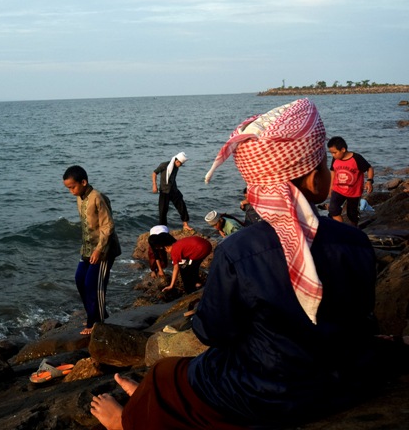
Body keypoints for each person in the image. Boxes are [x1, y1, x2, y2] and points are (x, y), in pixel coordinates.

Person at [91, 99, 387, 429]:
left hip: (272, 393)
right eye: (323, 164)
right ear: (315, 179)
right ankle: (146, 400)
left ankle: (127, 420)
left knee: (166, 375)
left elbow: (213, 331)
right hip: (346, 376)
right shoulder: (356, 241)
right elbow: (362, 315)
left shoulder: (238, 250)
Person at [63, 165, 122, 335]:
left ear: (83, 182)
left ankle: (96, 322)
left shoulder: (97, 197)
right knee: (80, 279)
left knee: (94, 285)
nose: (71, 191)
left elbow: (108, 225)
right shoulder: (80, 198)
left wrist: (99, 250)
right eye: (68, 188)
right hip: (88, 249)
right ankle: (94, 313)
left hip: (104, 250)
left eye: (72, 187)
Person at [327, 136, 374, 226]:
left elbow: (369, 168)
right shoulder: (336, 158)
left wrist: (369, 181)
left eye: (335, 152)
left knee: (352, 214)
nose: (333, 155)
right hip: (338, 190)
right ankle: (341, 230)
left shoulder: (356, 158)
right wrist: (331, 186)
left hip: (354, 192)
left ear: (343, 149)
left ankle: (354, 230)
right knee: (333, 210)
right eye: (331, 153)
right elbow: (332, 171)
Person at [148, 229, 211, 294]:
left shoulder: (174, 251)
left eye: (165, 250)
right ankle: (198, 283)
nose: (167, 252)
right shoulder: (176, 244)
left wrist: (171, 286)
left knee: (187, 270)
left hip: (202, 248)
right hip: (205, 244)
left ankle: (190, 291)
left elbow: (176, 268)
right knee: (192, 266)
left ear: (166, 247)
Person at [152, 152, 193, 231]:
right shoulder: (164, 165)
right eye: (180, 164)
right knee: (163, 211)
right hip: (164, 191)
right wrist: (154, 185)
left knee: (182, 206)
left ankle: (185, 224)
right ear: (177, 161)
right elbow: (154, 173)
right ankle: (163, 229)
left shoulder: (176, 167)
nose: (180, 166)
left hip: (174, 190)